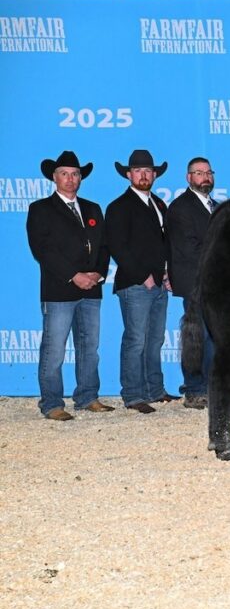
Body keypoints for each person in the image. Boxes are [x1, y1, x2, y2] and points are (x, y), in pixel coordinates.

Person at [26, 151, 114, 421]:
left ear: (81, 178)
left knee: (90, 347)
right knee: (54, 349)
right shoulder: (40, 209)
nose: (70, 179)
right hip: (59, 290)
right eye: (64, 174)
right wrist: (75, 275)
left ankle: (87, 396)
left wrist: (98, 273)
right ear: (54, 177)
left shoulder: (92, 208)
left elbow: (104, 245)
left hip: (92, 289)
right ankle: (52, 403)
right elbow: (42, 250)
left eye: (75, 174)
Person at [105, 149, 178, 414]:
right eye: (138, 171)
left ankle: (155, 390)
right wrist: (143, 276)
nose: (144, 175)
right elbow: (117, 246)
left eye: (148, 171)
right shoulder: (118, 206)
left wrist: (168, 272)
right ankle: (133, 395)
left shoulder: (159, 204)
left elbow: (164, 243)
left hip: (159, 282)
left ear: (155, 174)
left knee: (155, 339)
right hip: (135, 284)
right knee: (136, 339)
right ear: (128, 174)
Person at [166, 157, 218, 410]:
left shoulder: (216, 207)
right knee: (198, 336)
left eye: (208, 172)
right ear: (189, 178)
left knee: (213, 337)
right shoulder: (180, 208)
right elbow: (189, 248)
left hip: (215, 284)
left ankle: (210, 387)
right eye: (199, 173)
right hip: (195, 283)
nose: (205, 177)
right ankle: (194, 389)